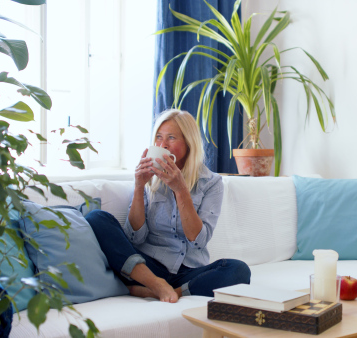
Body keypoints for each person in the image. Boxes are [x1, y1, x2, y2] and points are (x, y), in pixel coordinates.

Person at [85, 109, 251, 303]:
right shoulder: (150, 178)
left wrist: (180, 190)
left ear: (189, 143)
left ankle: (163, 291)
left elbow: (198, 241)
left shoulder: (211, 183)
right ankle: (155, 284)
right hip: (146, 267)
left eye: (171, 138)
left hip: (188, 271)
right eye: (158, 138)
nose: (162, 145)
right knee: (96, 218)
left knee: (239, 271)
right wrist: (139, 186)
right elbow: (135, 238)